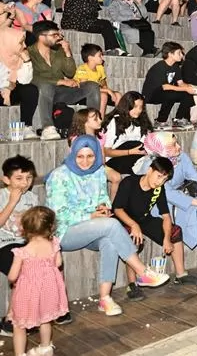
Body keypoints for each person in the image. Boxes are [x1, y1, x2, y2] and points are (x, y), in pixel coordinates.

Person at [46, 136, 170, 317]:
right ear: (73, 154)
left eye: (90, 156)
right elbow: (56, 214)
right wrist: (89, 215)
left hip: (92, 228)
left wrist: (103, 208)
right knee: (112, 226)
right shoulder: (59, 176)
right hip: (64, 231)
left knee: (110, 240)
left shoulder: (97, 172)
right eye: (80, 156)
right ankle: (142, 272)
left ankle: (105, 298)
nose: (86, 161)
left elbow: (103, 198)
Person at [137, 132, 197, 279]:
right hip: (160, 205)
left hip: (182, 198)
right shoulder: (152, 165)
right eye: (173, 145)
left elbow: (195, 176)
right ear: (160, 149)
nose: (179, 147)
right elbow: (167, 193)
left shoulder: (181, 157)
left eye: (177, 143)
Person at [113, 157, 197, 301]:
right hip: (124, 220)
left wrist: (166, 239)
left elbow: (166, 217)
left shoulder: (158, 189)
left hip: (143, 219)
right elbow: (117, 209)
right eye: (159, 176)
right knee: (133, 239)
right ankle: (132, 284)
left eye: (164, 179)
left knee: (175, 231)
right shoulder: (129, 182)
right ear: (150, 170)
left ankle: (181, 275)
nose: (160, 181)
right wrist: (133, 225)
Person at [7, 206, 68, 356]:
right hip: (49, 289)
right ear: (51, 226)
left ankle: (20, 354)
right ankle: (45, 348)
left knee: (19, 325)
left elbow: (12, 276)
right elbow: (58, 263)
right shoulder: (54, 244)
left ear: (24, 228)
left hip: (28, 293)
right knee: (45, 320)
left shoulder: (23, 252)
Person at [0, 156, 40, 336]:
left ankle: (24, 315)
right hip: (3, 245)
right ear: (6, 179)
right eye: (19, 178)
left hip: (25, 245)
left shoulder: (33, 197)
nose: (25, 183)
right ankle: (11, 317)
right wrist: (12, 202)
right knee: (23, 271)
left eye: (29, 178)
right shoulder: (1, 196)